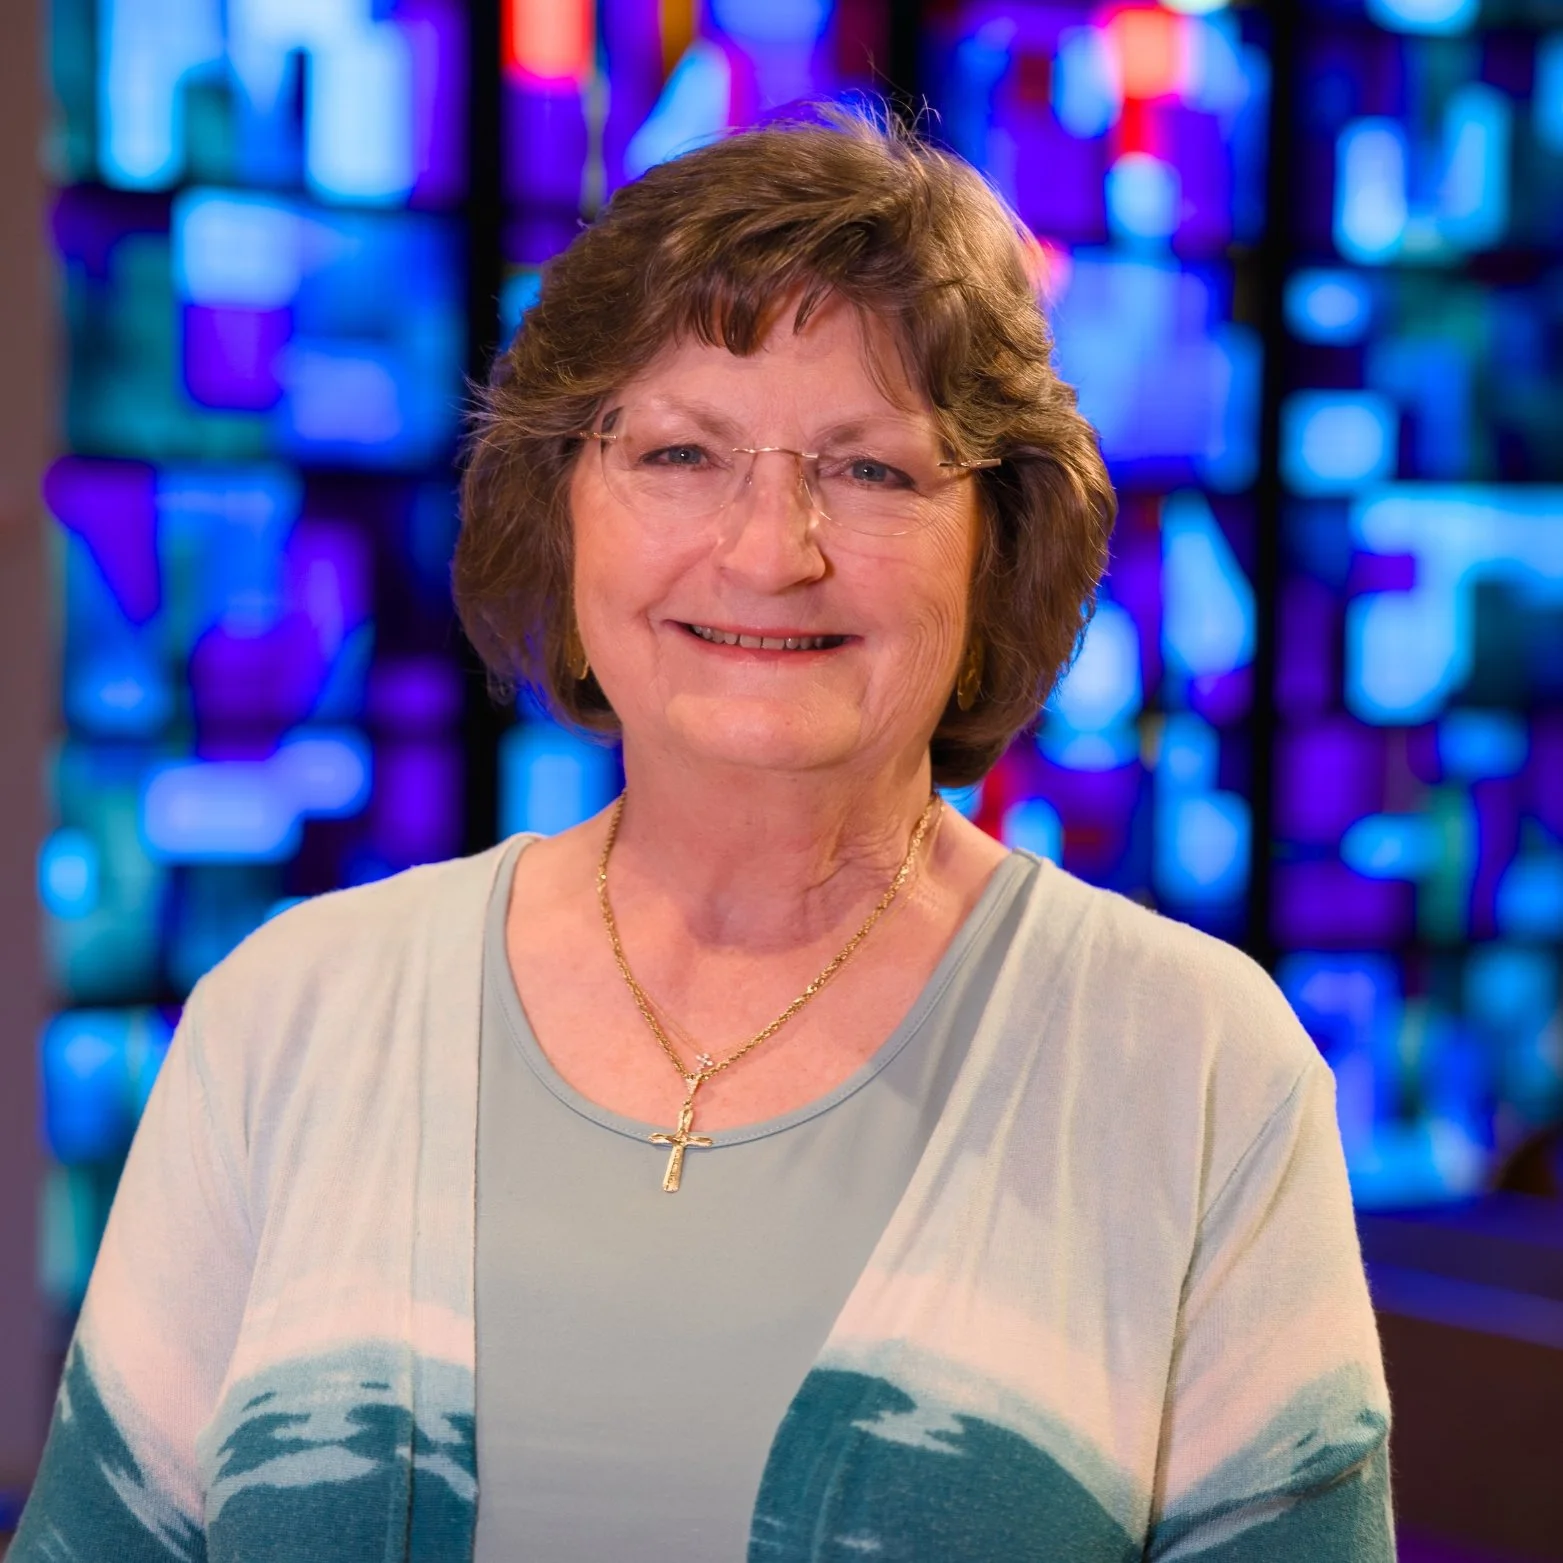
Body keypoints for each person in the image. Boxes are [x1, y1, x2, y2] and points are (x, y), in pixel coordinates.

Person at [12, 112, 1392, 1562]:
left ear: (999, 545)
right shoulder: (285, 1016)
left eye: (868, 470)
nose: (768, 547)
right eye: (679, 453)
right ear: (562, 515)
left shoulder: (1197, 1070)